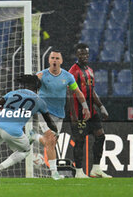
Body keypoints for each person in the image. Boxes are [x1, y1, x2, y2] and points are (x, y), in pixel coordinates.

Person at [30, 50, 90, 179]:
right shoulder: (42, 75)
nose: (55, 60)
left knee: (51, 142)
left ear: (61, 61)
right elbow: (31, 88)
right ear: (49, 60)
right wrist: (34, 81)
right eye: (52, 58)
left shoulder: (68, 77)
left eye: (57, 58)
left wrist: (85, 107)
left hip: (59, 114)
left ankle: (34, 137)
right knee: (51, 139)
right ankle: (54, 173)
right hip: (44, 111)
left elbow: (78, 92)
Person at [68, 43, 111, 178]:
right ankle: (79, 171)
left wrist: (101, 107)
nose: (84, 56)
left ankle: (96, 169)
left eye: (86, 53)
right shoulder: (73, 71)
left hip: (92, 112)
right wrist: (74, 115)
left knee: (100, 136)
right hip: (79, 113)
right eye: (81, 54)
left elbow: (92, 92)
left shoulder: (90, 70)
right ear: (77, 55)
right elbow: (69, 94)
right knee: (80, 141)